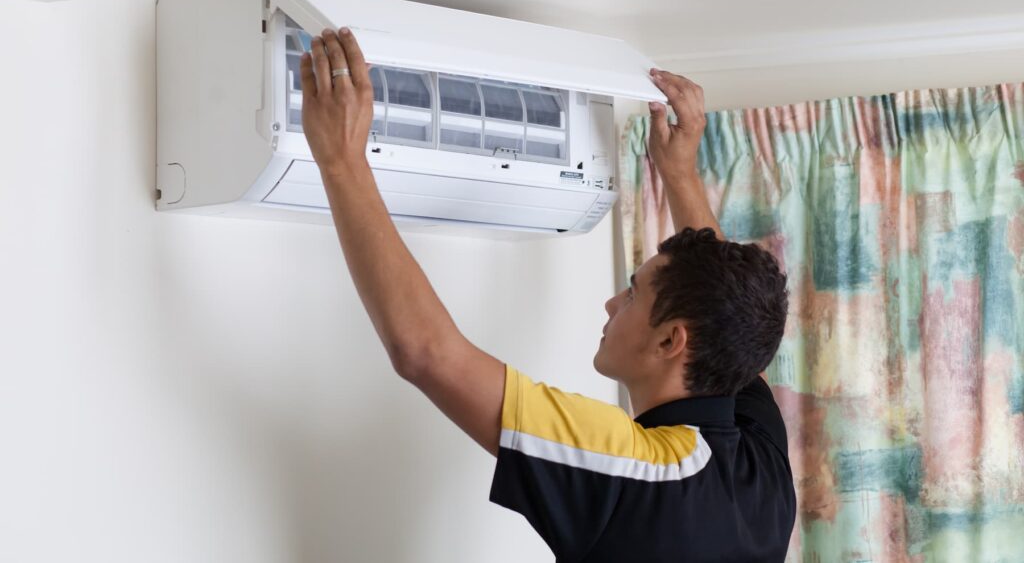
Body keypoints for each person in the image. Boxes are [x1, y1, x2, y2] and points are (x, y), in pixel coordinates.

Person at [299, 28, 796, 562]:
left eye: (633, 295)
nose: (612, 304)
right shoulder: (759, 468)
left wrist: (342, 160)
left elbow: (425, 352)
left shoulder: (633, 468)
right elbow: (729, 311)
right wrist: (678, 173)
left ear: (672, 340)